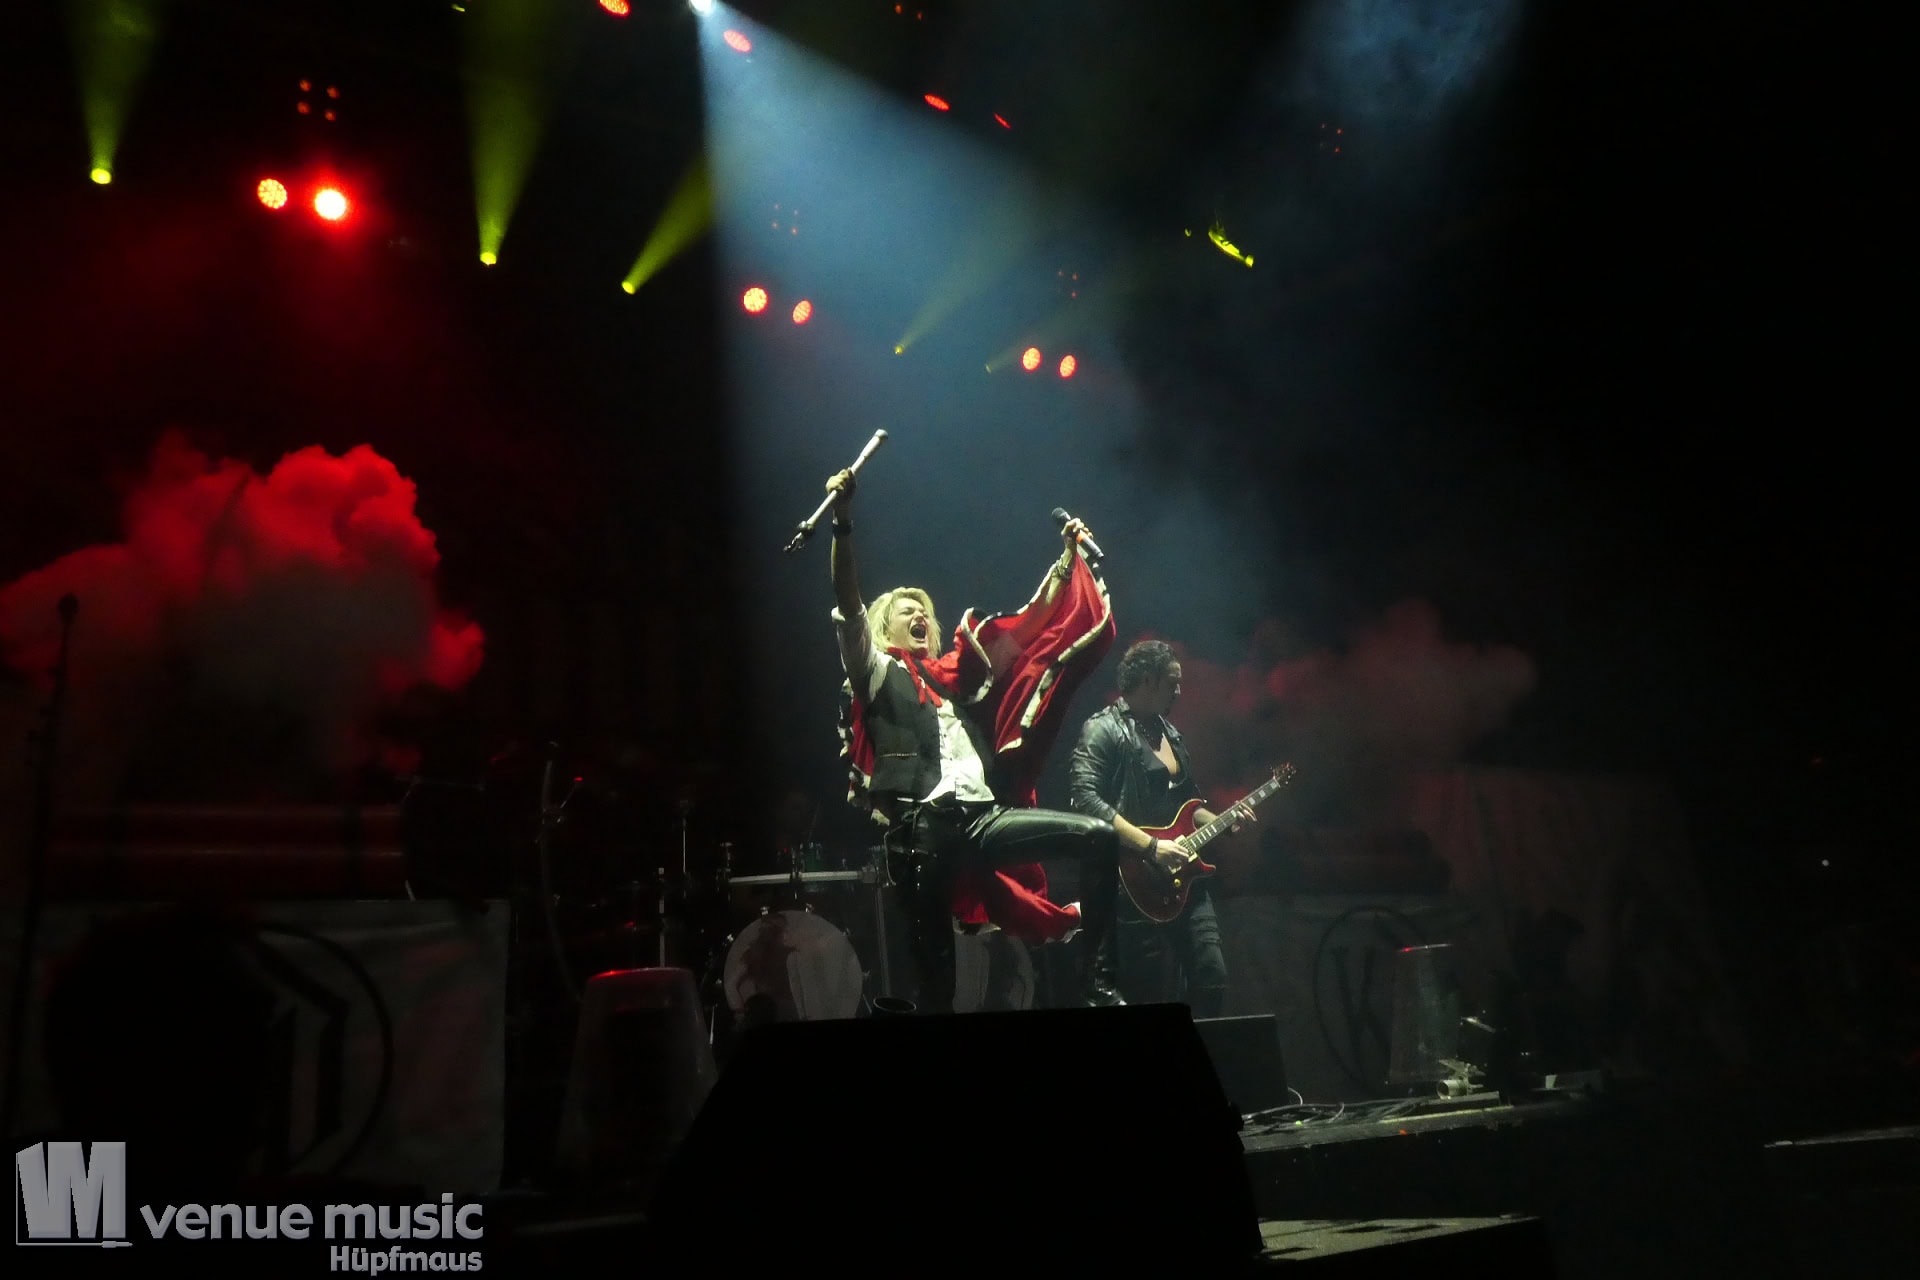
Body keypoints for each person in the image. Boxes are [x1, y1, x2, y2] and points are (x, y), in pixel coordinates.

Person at [825, 468, 1184, 1011]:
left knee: (1097, 838)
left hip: (984, 819)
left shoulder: (960, 682)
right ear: (883, 627)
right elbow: (848, 600)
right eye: (906, 611)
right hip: (922, 830)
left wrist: (1066, 566)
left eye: (924, 611)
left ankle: (1098, 986)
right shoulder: (875, 672)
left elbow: (1026, 635)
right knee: (937, 986)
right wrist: (842, 521)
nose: (920, 615)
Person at [1068, 639, 1249, 1017]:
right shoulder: (1102, 729)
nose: (1179, 692)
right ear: (1148, 680)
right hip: (1132, 883)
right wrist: (1151, 847)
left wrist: (1222, 821)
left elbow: (1189, 803)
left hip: (1184, 877)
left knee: (1211, 976)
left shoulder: (1172, 734)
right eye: (1173, 683)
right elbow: (1086, 801)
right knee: (1143, 992)